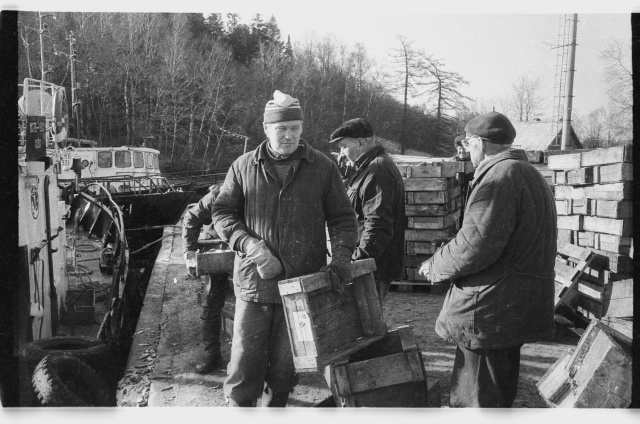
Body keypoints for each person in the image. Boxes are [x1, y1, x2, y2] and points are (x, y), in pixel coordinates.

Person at [211, 90, 358, 407]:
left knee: (286, 361)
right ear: (267, 129)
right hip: (255, 284)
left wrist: (342, 258)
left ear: (302, 128)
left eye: (294, 127)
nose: (288, 135)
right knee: (244, 361)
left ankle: (275, 405)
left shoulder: (322, 167)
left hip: (302, 285)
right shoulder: (243, 167)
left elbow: (344, 219)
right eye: (281, 128)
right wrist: (248, 243)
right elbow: (222, 213)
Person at [418, 111, 557, 408]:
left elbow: (474, 245)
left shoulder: (498, 177)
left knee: (475, 403)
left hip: (488, 312)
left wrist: (435, 266)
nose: (468, 152)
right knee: (497, 398)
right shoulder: (529, 173)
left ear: (479, 143)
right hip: (512, 307)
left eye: (469, 144)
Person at [329, 118, 405, 305]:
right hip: (373, 264)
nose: (341, 153)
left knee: (367, 325)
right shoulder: (371, 167)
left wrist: (357, 263)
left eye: (343, 146)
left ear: (361, 142)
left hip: (372, 267)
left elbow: (377, 224)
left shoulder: (377, 170)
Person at [182, 184, 229, 374]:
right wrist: (190, 254)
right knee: (212, 301)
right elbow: (192, 217)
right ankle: (212, 355)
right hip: (216, 245)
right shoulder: (220, 194)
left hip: (247, 247)